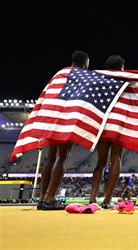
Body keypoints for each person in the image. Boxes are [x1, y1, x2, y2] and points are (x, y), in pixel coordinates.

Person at [39, 50, 90, 211]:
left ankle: (41, 199)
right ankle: (50, 198)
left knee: (50, 157)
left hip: (51, 115)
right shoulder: (82, 75)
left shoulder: (60, 73)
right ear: (85, 63)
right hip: (65, 117)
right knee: (62, 157)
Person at [89, 55, 125, 209]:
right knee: (116, 159)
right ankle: (107, 200)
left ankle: (92, 199)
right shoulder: (124, 77)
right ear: (122, 67)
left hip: (103, 122)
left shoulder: (99, 77)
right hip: (118, 123)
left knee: (101, 162)